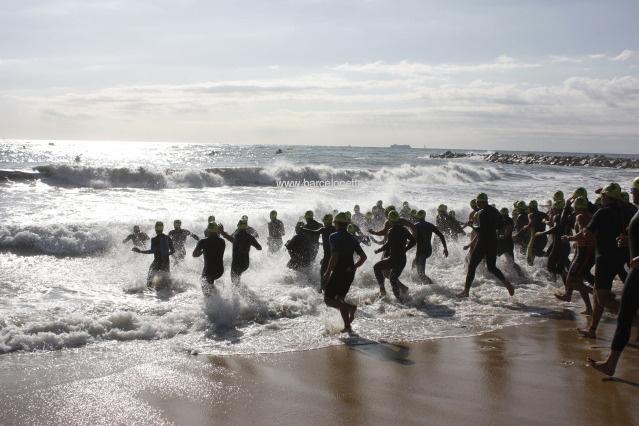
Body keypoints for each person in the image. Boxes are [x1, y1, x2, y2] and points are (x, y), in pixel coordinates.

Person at [588, 177, 639, 376]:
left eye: (635, 189)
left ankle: (611, 364)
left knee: (625, 316)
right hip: (632, 268)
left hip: (636, 270)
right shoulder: (633, 209)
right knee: (624, 317)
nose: (633, 193)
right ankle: (610, 363)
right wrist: (628, 242)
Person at [578, 184, 632, 338]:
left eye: (603, 196)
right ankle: (592, 330)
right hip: (623, 255)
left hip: (605, 258)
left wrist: (583, 231)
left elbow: (587, 234)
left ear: (607, 197)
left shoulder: (602, 212)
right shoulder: (629, 209)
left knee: (602, 299)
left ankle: (633, 315)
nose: (601, 198)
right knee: (596, 293)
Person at [459, 193, 515, 297]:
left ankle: (466, 292)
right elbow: (501, 227)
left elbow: (480, 231)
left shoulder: (482, 213)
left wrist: (471, 225)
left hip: (483, 242)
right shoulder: (495, 211)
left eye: (478, 202)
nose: (477, 205)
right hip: (494, 241)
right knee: (491, 267)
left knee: (472, 266)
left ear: (481, 201)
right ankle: (506, 283)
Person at [323, 212, 367, 332]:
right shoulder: (353, 238)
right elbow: (363, 257)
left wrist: (327, 272)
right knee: (339, 299)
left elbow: (335, 256)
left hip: (339, 271)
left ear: (336, 223)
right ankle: (347, 326)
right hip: (349, 271)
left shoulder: (333, 236)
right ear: (346, 224)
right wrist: (354, 267)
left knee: (328, 300)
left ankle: (351, 308)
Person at [557, 196, 595, 314]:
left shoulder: (580, 216)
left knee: (570, 282)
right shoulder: (590, 215)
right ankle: (589, 308)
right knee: (578, 280)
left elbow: (584, 232)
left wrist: (570, 238)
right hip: (584, 250)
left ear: (577, 207)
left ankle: (597, 292)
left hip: (584, 253)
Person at [373, 210, 416, 299]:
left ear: (390, 220)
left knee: (377, 268)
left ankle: (383, 289)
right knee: (393, 278)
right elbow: (413, 241)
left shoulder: (391, 231)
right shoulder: (404, 230)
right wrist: (405, 249)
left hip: (393, 259)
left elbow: (388, 244)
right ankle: (401, 299)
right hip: (402, 259)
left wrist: (378, 250)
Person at [132, 221, 175, 289]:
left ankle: (149, 292)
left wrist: (140, 251)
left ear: (155, 228)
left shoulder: (154, 239)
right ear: (162, 228)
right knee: (167, 281)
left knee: (149, 279)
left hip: (157, 262)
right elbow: (173, 251)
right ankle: (170, 292)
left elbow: (151, 251)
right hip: (166, 262)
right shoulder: (168, 238)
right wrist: (166, 254)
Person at [220, 218, 262, 285]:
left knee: (234, 282)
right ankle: (242, 291)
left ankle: (239, 293)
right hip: (245, 263)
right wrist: (252, 240)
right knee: (238, 277)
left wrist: (222, 232)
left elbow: (229, 238)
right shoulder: (250, 237)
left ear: (238, 226)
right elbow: (259, 248)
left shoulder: (236, 236)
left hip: (236, 263)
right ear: (246, 227)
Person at [412, 209, 448, 284]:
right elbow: (441, 235)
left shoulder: (416, 226)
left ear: (417, 217)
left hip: (421, 252)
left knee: (421, 274)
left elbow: (412, 239)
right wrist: (445, 248)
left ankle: (434, 287)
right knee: (414, 263)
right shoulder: (430, 225)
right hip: (428, 250)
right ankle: (416, 282)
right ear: (424, 216)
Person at [303, 214, 336, 291]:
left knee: (323, 274)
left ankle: (323, 291)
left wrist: (302, 229)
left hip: (328, 257)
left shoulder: (323, 229)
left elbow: (313, 232)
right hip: (335, 256)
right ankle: (333, 291)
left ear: (325, 221)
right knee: (335, 275)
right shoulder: (335, 229)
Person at [192, 222, 225, 295]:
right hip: (220, 271)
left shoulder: (203, 241)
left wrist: (202, 252)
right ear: (217, 230)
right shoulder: (222, 241)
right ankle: (216, 294)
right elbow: (215, 242)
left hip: (208, 271)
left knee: (204, 283)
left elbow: (194, 254)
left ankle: (211, 301)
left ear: (208, 230)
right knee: (211, 280)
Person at [497, 208, 524, 276]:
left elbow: (507, 231)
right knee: (511, 261)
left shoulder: (507, 220)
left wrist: (501, 236)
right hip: (507, 243)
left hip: (504, 243)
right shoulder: (506, 220)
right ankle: (520, 274)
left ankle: (520, 274)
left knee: (495, 258)